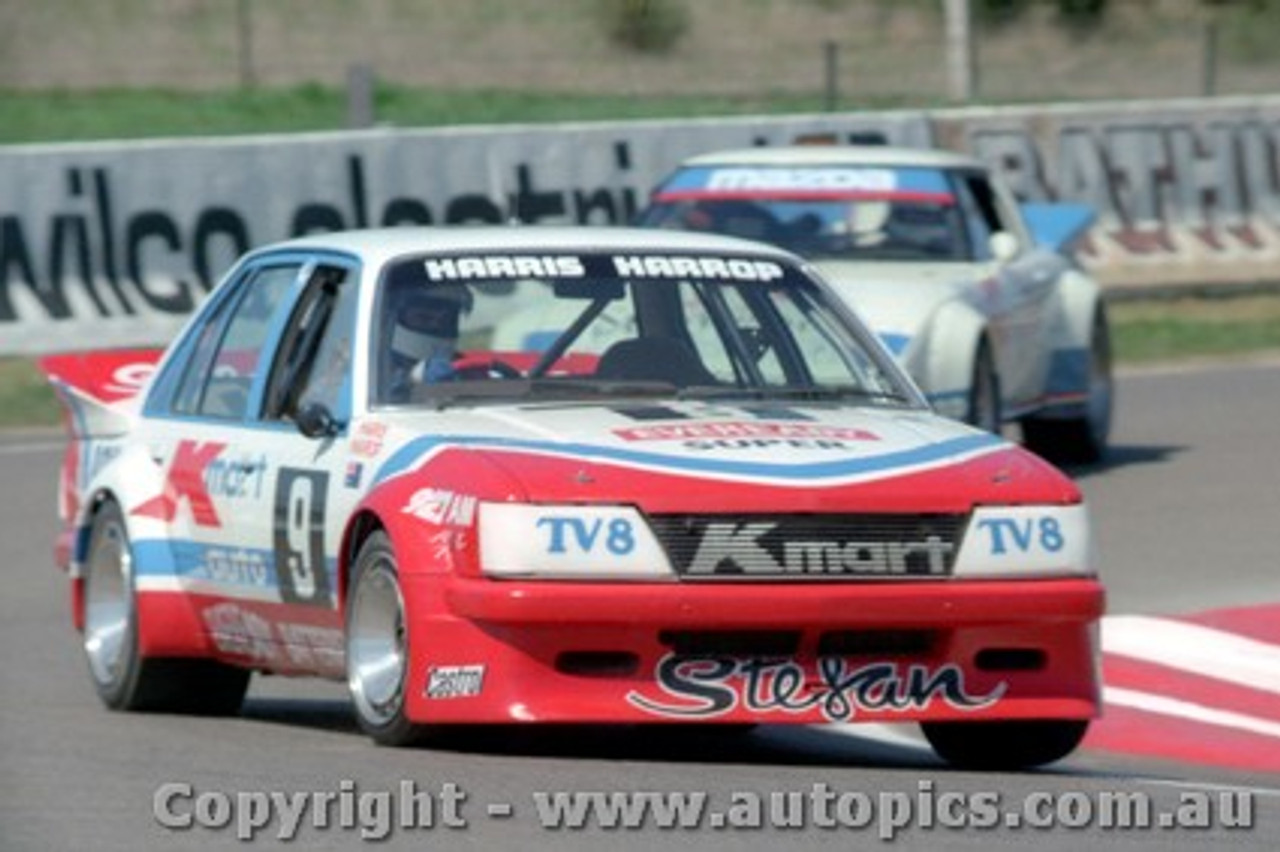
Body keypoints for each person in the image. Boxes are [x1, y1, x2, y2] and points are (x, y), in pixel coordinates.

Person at [384, 283, 473, 401]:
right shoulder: (374, 364)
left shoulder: (460, 367)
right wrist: (410, 380)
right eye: (424, 317)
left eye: (446, 320)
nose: (436, 324)